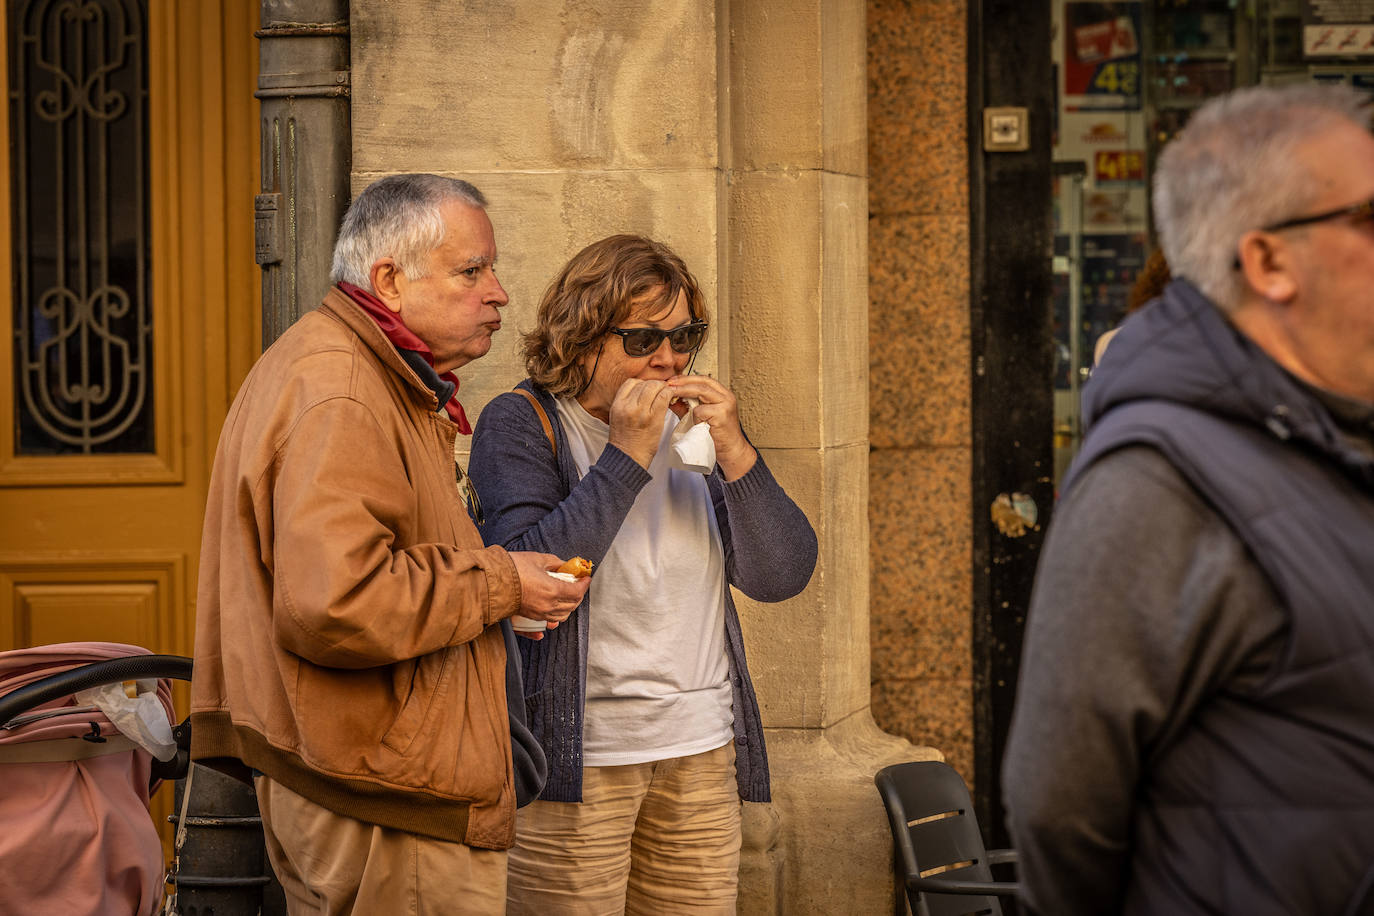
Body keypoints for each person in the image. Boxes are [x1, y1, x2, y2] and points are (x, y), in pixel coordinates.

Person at [1003, 83, 1374, 915]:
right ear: (1267, 259)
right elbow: (1058, 805)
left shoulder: (1337, 439)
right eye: (1369, 219)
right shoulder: (1155, 481)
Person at [190, 174, 591, 915]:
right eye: (472, 270)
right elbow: (337, 601)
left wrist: (502, 586)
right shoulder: (342, 386)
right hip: (385, 797)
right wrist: (501, 583)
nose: (499, 292)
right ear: (389, 281)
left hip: (373, 780)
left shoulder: (356, 369)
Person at [468, 234, 817, 914]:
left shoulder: (693, 437)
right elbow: (529, 589)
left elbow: (782, 575)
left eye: (686, 335)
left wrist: (738, 452)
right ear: (582, 337)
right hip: (578, 755)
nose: (670, 358)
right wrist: (625, 455)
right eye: (643, 340)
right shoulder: (522, 422)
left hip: (700, 748)